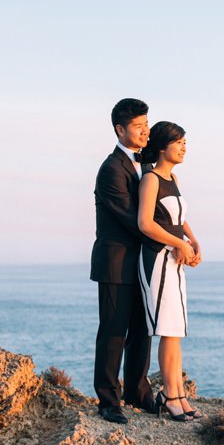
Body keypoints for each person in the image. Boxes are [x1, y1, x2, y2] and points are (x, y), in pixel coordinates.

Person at [91, 98, 157, 423]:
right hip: (115, 263)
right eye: (138, 127)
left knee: (142, 330)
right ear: (120, 129)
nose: (146, 132)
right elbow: (134, 220)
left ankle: (138, 392)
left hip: (141, 263)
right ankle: (107, 400)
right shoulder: (110, 169)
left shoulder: (145, 163)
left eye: (147, 125)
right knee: (114, 331)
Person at [137, 121, 202, 421]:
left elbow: (178, 215)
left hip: (174, 259)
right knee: (166, 329)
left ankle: (177, 394)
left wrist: (192, 240)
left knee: (176, 330)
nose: (184, 147)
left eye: (185, 142)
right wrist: (179, 243)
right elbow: (145, 223)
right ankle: (169, 395)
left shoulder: (172, 177)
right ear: (163, 147)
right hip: (157, 260)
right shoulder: (150, 179)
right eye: (179, 142)